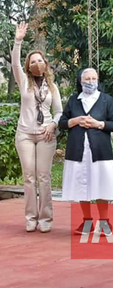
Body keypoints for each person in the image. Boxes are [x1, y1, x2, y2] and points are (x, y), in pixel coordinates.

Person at [12, 22, 63, 233]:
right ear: (28, 66)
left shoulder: (53, 86)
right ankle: (30, 218)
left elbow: (59, 111)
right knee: (29, 177)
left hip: (45, 135)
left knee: (44, 176)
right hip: (25, 134)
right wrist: (18, 41)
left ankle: (46, 219)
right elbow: (15, 63)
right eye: (33, 61)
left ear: (45, 63)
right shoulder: (24, 81)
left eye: (40, 60)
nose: (37, 64)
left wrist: (53, 124)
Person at [59, 68, 113, 235]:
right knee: (81, 185)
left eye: (94, 78)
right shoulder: (73, 100)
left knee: (102, 185)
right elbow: (62, 123)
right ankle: (87, 222)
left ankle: (104, 222)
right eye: (87, 78)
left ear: (98, 80)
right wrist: (76, 120)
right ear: (81, 81)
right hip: (78, 150)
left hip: (100, 151)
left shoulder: (106, 100)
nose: (90, 81)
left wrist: (97, 124)